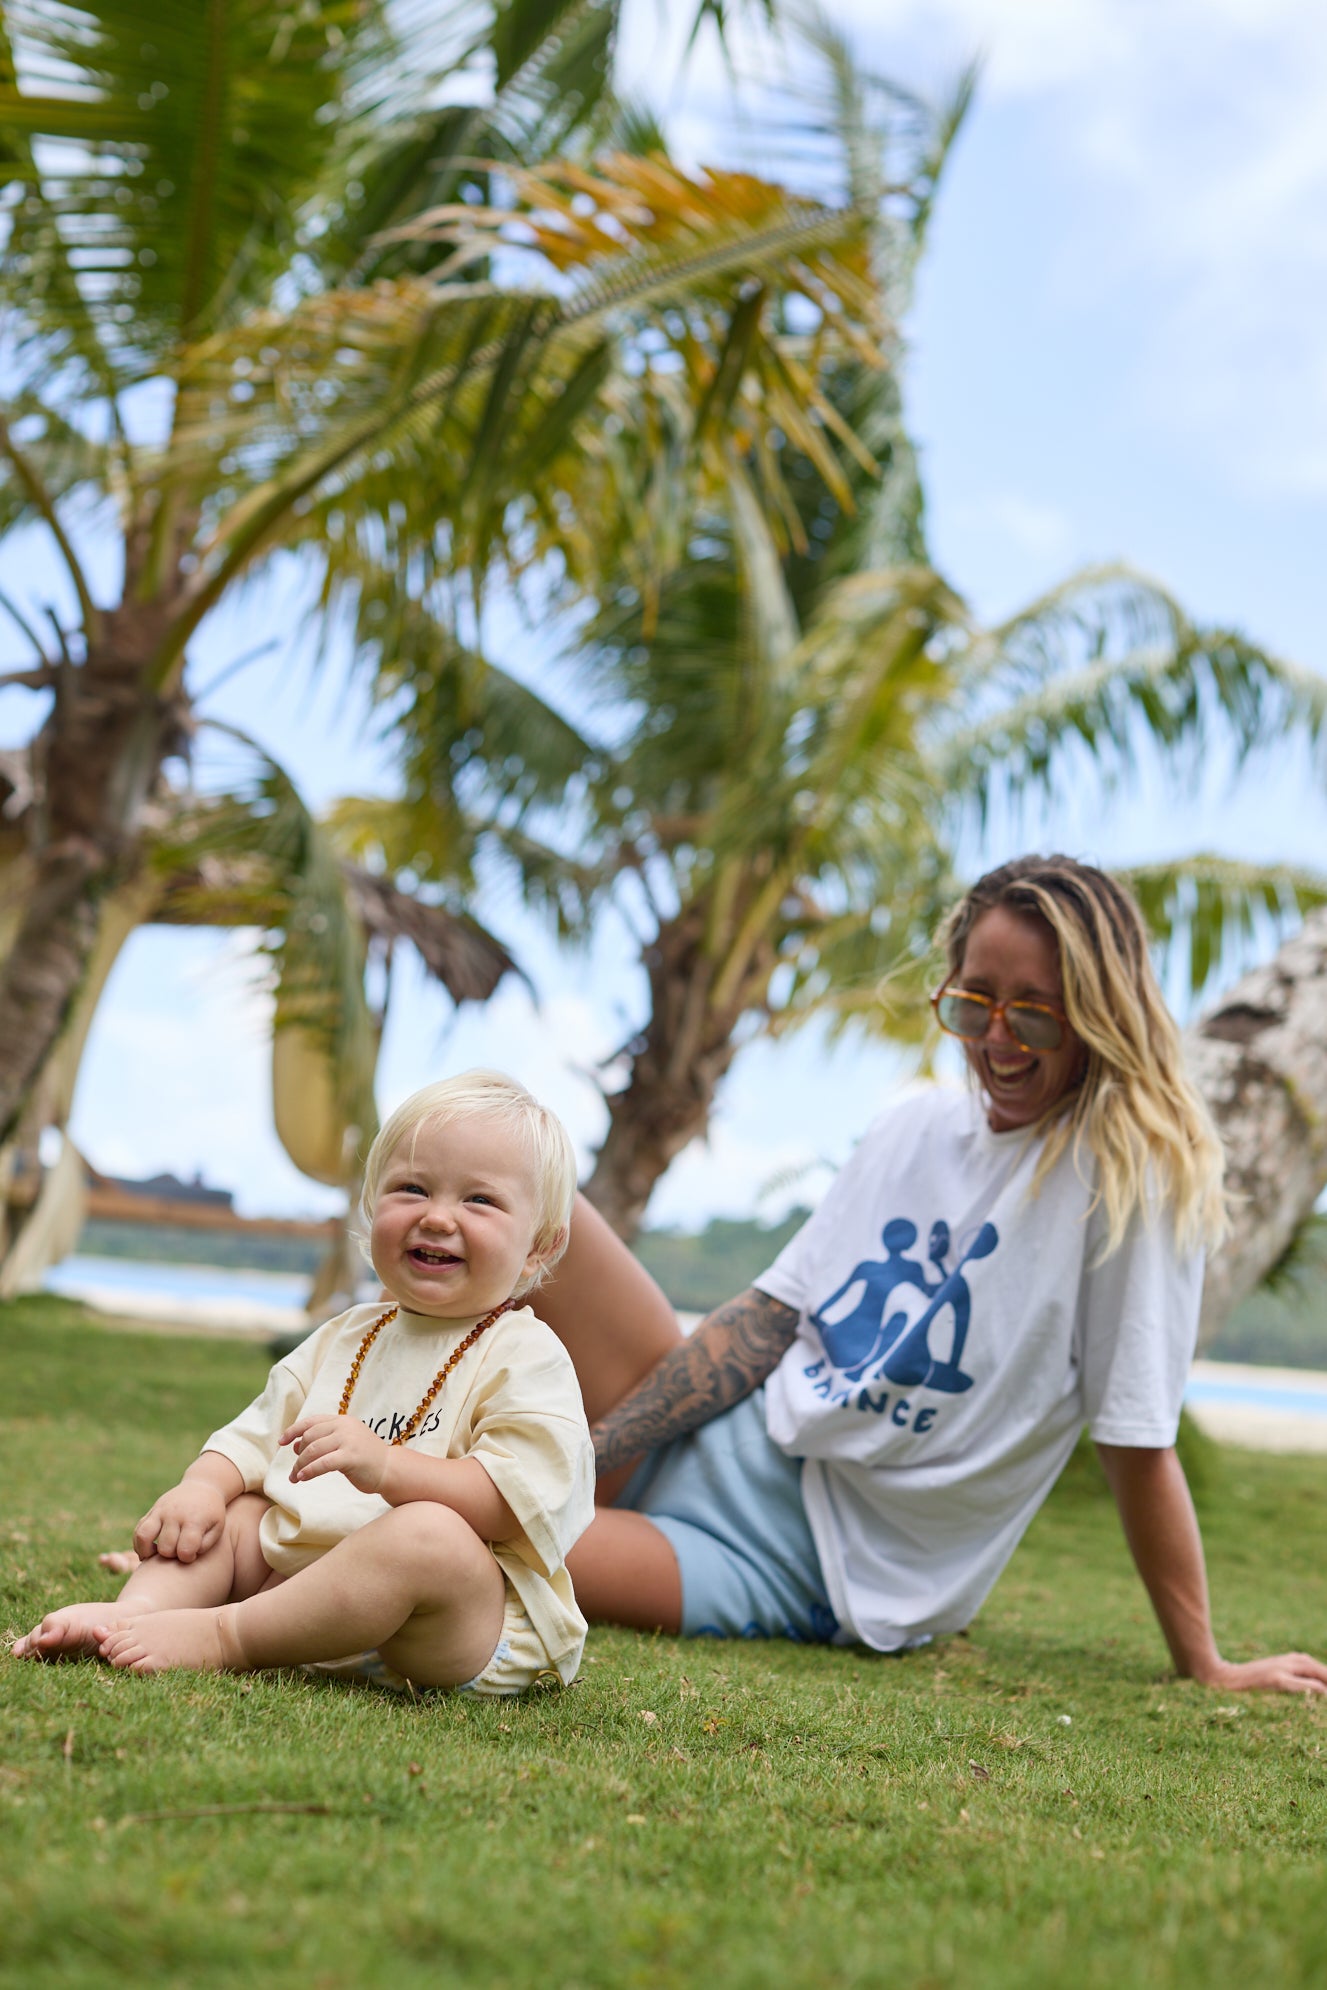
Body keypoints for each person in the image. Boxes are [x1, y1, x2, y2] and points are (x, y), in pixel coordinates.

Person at [535, 855, 1327, 1696]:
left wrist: (1202, 1661)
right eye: (973, 1002)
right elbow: (767, 1320)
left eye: (1035, 1014)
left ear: (1098, 1016)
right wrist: (592, 1456)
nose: (996, 1039)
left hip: (799, 1564)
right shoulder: (913, 1122)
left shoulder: (1130, 1189)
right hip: (718, 1436)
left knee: (475, 1539)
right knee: (525, 1176)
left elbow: (1135, 1439)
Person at [15, 1071, 595, 1694]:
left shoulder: (525, 1354)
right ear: (373, 1207)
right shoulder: (348, 1334)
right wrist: (201, 1487)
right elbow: (255, 1435)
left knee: (431, 1536)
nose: (437, 1216)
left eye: (479, 1200)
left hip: (449, 1630)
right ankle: (139, 1614)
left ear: (538, 1247)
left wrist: (387, 1468)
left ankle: (223, 1635)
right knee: (235, 1512)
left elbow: (513, 1502)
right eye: (411, 1188)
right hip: (303, 1592)